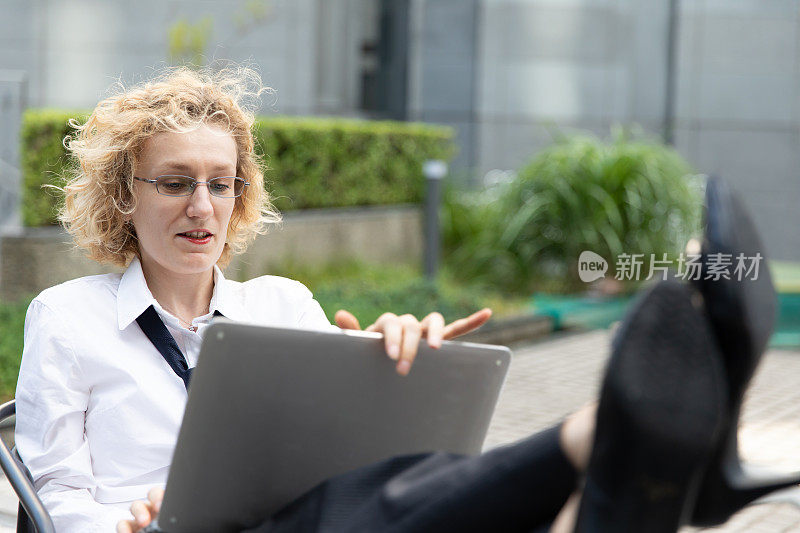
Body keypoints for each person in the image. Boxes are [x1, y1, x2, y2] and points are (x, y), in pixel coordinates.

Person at [16, 66, 788, 533]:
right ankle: (623, 447)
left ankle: (608, 460)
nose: (202, 207)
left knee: (392, 486)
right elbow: (56, 500)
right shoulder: (69, 317)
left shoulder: (281, 305)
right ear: (125, 192)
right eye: (177, 182)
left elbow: (346, 456)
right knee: (382, 508)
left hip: (304, 521)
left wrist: (392, 362)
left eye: (221, 184)